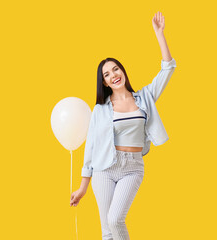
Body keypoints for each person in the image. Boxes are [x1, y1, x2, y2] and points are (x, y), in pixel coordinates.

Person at [70, 11, 177, 240]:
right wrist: (82, 187)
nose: (113, 75)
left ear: (123, 71)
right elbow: (91, 147)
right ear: (105, 83)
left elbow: (168, 68)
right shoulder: (100, 110)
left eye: (115, 69)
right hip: (104, 169)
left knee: (115, 219)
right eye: (107, 75)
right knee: (107, 230)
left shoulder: (146, 97)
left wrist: (159, 34)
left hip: (132, 167)